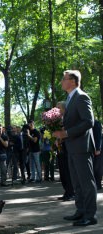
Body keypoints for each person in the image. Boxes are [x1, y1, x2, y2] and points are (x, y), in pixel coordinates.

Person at [53, 70, 97, 226]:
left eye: (63, 79)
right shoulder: (69, 98)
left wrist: (66, 133)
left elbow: (88, 122)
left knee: (86, 182)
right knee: (77, 183)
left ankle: (90, 215)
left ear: (72, 81)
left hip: (81, 147)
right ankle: (81, 211)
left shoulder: (81, 96)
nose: (61, 82)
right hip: (71, 147)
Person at [55, 101, 75, 202]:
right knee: (62, 172)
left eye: (58, 108)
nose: (57, 110)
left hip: (68, 148)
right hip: (60, 149)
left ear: (63, 108)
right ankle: (67, 192)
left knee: (68, 171)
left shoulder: (68, 118)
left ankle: (71, 193)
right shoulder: (57, 121)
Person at [92, 120, 102, 190]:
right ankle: (96, 184)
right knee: (95, 167)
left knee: (97, 167)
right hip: (93, 149)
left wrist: (98, 148)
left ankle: (98, 184)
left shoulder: (96, 123)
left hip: (97, 149)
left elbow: (98, 136)